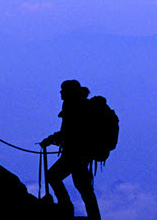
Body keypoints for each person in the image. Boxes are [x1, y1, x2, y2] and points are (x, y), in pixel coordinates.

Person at [40, 80, 101, 220]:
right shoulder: (78, 104)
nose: (60, 92)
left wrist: (49, 140)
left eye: (63, 90)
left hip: (74, 154)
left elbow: (67, 132)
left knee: (54, 176)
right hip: (80, 154)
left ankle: (66, 207)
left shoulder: (73, 106)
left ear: (69, 92)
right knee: (83, 186)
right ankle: (93, 216)